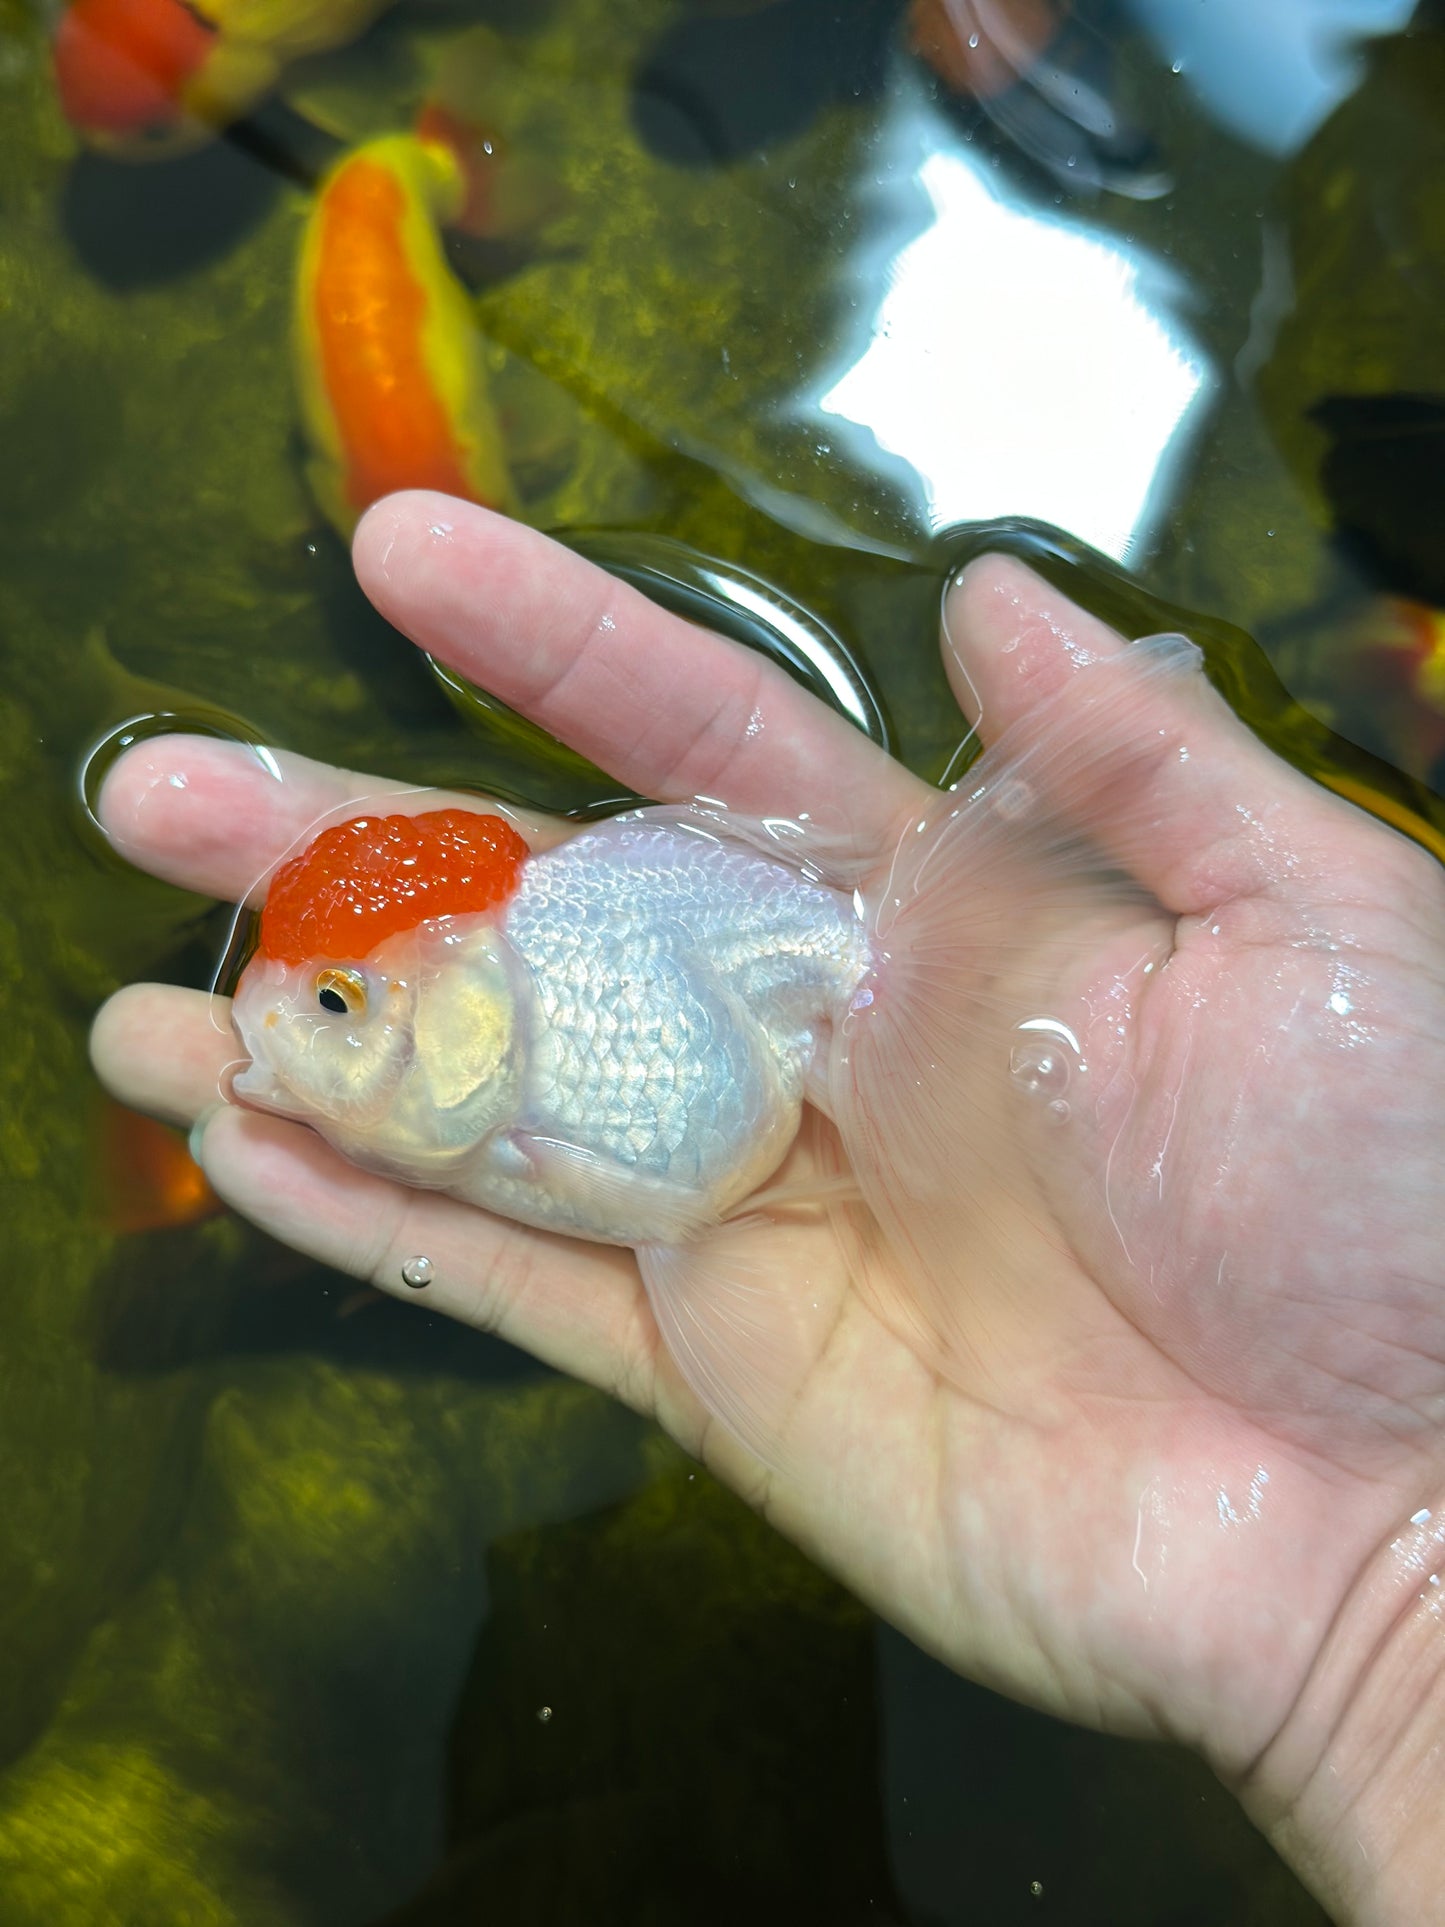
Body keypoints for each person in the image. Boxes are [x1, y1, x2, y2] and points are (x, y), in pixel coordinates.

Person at [91, 491, 1445, 1925]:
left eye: (344, 1006)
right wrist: (1380, 1663)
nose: (307, 1037)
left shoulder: (557, 1030)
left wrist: (1386, 1618)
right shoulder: (479, 1080)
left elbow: (662, 1188)